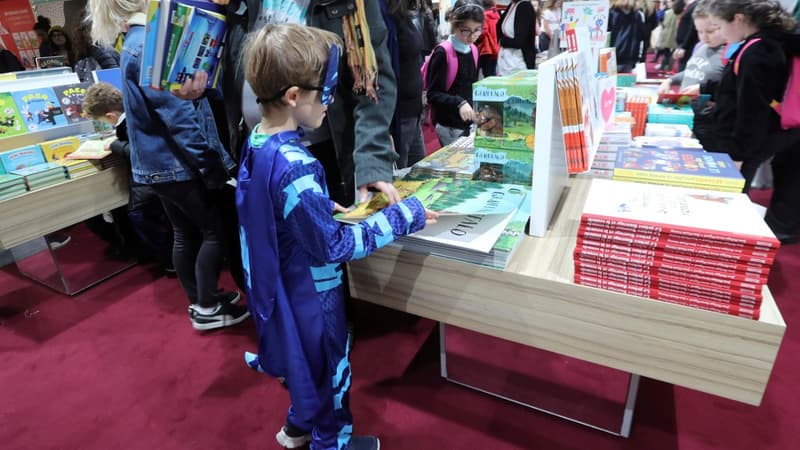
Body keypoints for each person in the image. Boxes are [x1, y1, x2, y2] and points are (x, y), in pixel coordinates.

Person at [236, 23, 437, 450]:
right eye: (325, 93)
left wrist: (317, 207)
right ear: (293, 97)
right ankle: (333, 442)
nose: (331, 103)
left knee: (301, 360)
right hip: (312, 293)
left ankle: (298, 422)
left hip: (276, 286)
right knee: (330, 368)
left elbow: (262, 202)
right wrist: (407, 215)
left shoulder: (256, 142)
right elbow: (336, 246)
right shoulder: (299, 166)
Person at [87, 0, 249, 330]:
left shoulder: (134, 41)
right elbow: (177, 117)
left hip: (159, 166)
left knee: (184, 233)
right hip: (176, 164)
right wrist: (212, 167)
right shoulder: (149, 43)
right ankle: (206, 306)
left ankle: (201, 298)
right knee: (213, 232)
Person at [698, 0, 800, 243]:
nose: (720, 34)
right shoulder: (763, 44)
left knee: (732, 201)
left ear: (740, 19)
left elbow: (752, 109)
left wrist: (738, 154)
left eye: (720, 26)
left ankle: (729, 245)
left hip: (746, 144)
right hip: (751, 141)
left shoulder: (760, 51)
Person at [83, 82, 174, 274]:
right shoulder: (138, 112)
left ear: (111, 116)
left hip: (150, 182)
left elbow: (141, 152)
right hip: (157, 180)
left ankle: (169, 259)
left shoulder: (130, 125)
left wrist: (115, 145)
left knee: (140, 215)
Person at [426, 0, 484, 146]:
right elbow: (433, 94)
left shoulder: (473, 49)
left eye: (477, 30)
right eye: (465, 31)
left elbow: (471, 86)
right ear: (454, 25)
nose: (472, 36)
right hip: (449, 126)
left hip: (468, 125)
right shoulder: (443, 52)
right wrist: (459, 102)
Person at [389, 0, 428, 168]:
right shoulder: (388, 19)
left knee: (418, 172)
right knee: (402, 174)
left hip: (413, 111)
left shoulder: (406, 16)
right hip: (400, 113)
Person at [658, 2, 726, 95]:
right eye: (699, 31)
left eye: (710, 31)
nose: (704, 37)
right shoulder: (701, 46)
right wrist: (670, 80)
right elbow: (693, 71)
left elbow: (729, 87)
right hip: (686, 105)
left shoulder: (730, 53)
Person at [496, 0, 537, 75]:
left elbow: (519, 42)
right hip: (507, 60)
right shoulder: (512, 4)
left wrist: (502, 41)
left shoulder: (524, 6)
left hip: (518, 62)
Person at [608, 0, 646, 73]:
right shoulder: (637, 15)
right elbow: (642, 36)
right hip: (630, 56)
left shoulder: (611, 13)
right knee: (626, 82)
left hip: (612, 55)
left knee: (610, 82)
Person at [654, 0, 682, 71]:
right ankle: (667, 67)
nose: (668, 3)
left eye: (669, 2)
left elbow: (660, 20)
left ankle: (665, 67)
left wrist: (661, 10)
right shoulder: (679, 13)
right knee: (670, 52)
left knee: (667, 52)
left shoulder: (668, 12)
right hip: (673, 35)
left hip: (668, 35)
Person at [673, 0, 699, 71]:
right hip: (685, 45)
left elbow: (692, 28)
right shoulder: (692, 5)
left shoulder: (696, 5)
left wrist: (684, 46)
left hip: (689, 46)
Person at [476, 0, 500, 77]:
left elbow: (484, 32)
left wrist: (475, 39)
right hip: (495, 48)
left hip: (486, 49)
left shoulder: (484, 16)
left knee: (486, 74)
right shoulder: (497, 15)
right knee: (492, 72)